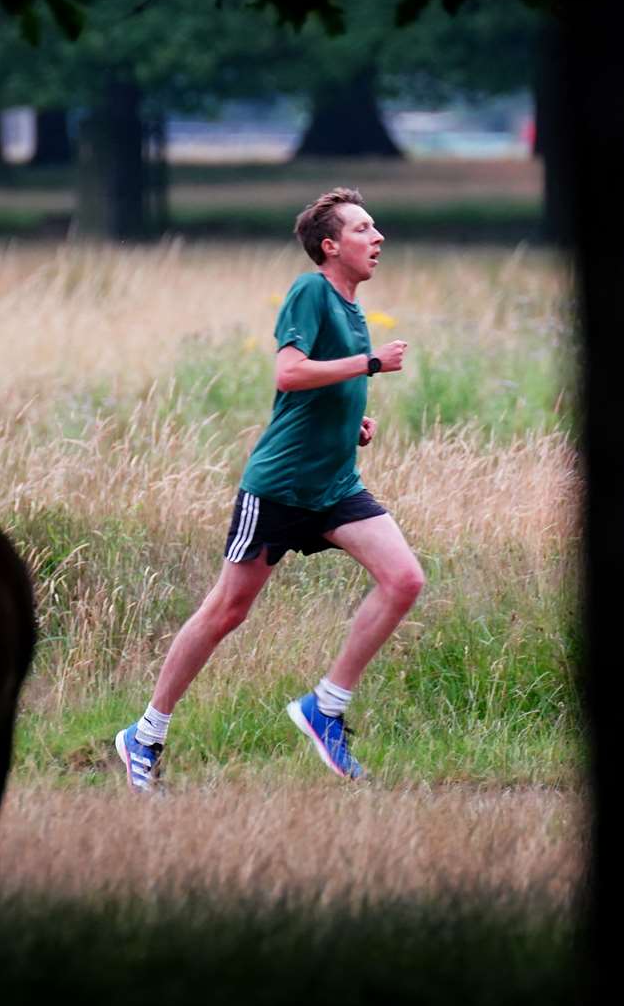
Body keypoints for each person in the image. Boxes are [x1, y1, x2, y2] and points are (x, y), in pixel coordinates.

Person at [115, 187, 423, 791]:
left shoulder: (352, 307)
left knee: (405, 579)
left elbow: (310, 388)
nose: (378, 237)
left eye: (375, 227)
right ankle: (145, 734)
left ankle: (324, 709)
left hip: (334, 486)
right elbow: (287, 371)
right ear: (330, 246)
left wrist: (349, 420)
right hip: (279, 489)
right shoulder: (311, 290)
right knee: (226, 611)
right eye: (363, 229)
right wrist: (368, 367)